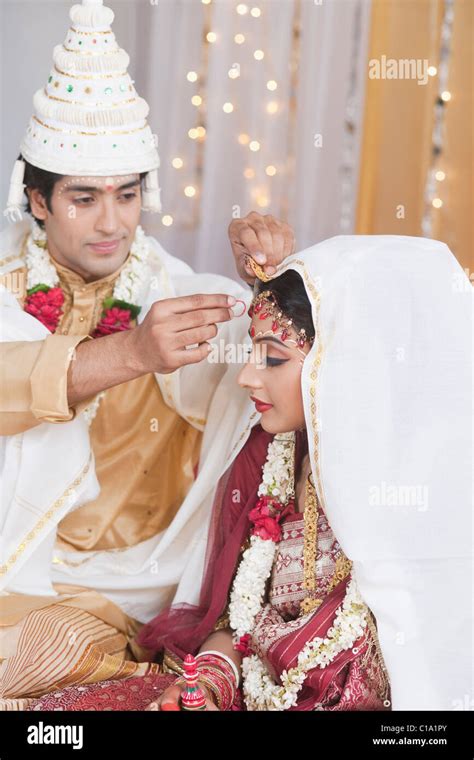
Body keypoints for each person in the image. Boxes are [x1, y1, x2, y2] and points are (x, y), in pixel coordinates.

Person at [30, 233, 472, 711]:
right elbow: (238, 623)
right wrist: (209, 686)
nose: (245, 376)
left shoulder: (416, 500)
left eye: (273, 358)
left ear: (346, 366)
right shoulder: (274, 455)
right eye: (251, 353)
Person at [0, 0, 295, 709]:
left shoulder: (180, 298)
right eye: (83, 199)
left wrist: (274, 280)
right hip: (19, 567)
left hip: (124, 586)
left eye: (127, 195)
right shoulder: (9, 294)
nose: (112, 223)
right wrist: (132, 353)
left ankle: (164, 672)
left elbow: (291, 362)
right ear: (36, 201)